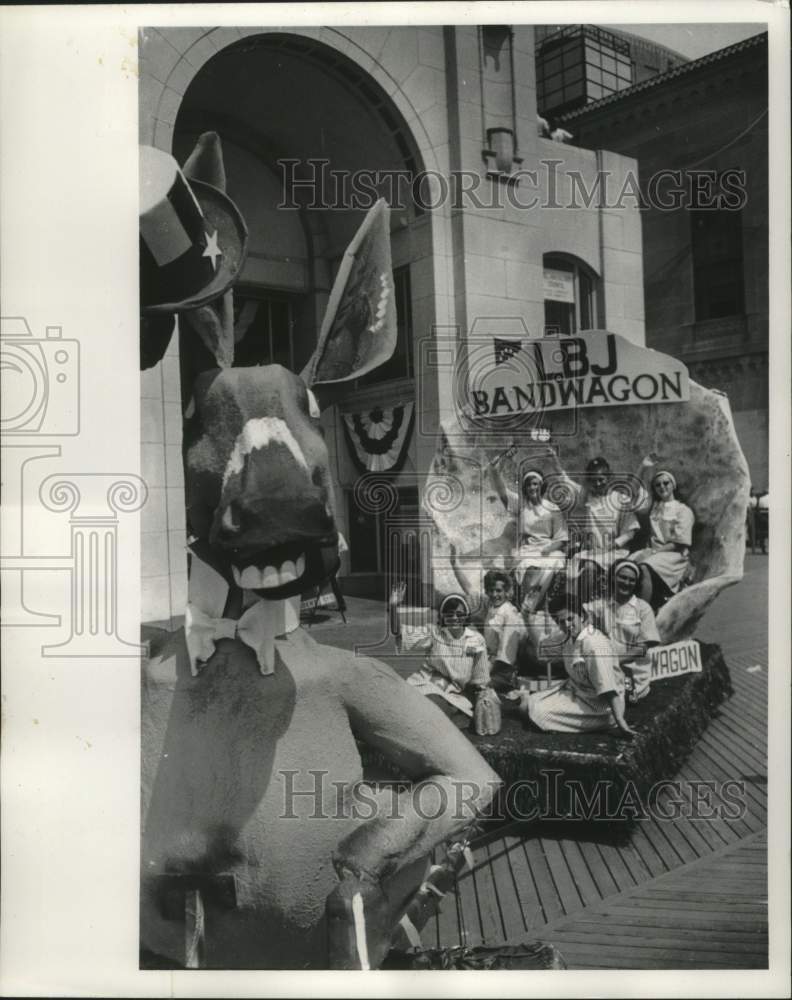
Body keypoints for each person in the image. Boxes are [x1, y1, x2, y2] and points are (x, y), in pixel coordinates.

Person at [509, 597, 634, 736]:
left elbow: (608, 688)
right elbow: (543, 651)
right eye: (560, 622)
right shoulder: (568, 638)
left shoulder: (594, 644)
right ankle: (541, 710)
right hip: (577, 692)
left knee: (534, 711)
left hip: (601, 706)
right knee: (526, 706)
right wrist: (527, 619)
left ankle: (600, 722)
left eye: (570, 619)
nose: (567, 625)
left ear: (582, 616)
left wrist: (620, 721)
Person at [389, 582, 492, 730]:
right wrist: (393, 607)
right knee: (427, 708)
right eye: (449, 614)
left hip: (455, 694)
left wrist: (483, 698)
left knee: (437, 714)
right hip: (425, 684)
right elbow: (397, 632)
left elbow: (481, 678)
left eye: (460, 614)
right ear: (443, 616)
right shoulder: (435, 633)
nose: (455, 618)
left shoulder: (476, 640)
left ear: (466, 616)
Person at [543, 453, 640, 602]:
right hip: (594, 551)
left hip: (615, 552)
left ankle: (585, 607)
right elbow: (565, 481)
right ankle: (575, 605)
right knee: (578, 565)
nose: (598, 484)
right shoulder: (588, 496)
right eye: (594, 481)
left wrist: (613, 544)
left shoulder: (620, 499)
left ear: (609, 478)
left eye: (601, 479)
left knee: (589, 567)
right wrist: (554, 460)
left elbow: (630, 531)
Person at [490, 464, 568, 612]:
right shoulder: (521, 505)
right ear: (525, 488)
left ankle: (533, 607)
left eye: (535, 484)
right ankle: (526, 608)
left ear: (541, 485)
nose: (532, 488)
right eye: (529, 485)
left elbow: (561, 539)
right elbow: (501, 491)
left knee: (550, 566)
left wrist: (547, 549)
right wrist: (495, 470)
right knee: (529, 567)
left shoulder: (552, 508)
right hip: (527, 550)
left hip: (548, 550)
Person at [585, 558, 661, 702]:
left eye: (631, 580)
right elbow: (581, 616)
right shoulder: (602, 605)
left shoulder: (643, 608)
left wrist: (614, 661)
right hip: (606, 667)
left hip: (632, 671)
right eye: (622, 577)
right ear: (613, 577)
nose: (626, 583)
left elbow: (643, 648)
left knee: (608, 698)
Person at [632, 457, 695, 610]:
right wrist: (642, 468)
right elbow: (633, 494)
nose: (662, 487)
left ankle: (643, 612)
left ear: (673, 485)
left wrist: (653, 552)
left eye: (666, 483)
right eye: (657, 485)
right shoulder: (654, 507)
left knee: (645, 567)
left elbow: (679, 543)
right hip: (654, 552)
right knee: (627, 564)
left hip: (674, 556)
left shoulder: (683, 510)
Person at [480, 570, 526, 692]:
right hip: (488, 661)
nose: (494, 594)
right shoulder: (491, 607)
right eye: (491, 590)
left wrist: (489, 671)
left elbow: (507, 652)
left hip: (504, 668)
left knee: (481, 686)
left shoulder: (510, 613)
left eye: (499, 590)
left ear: (506, 592)